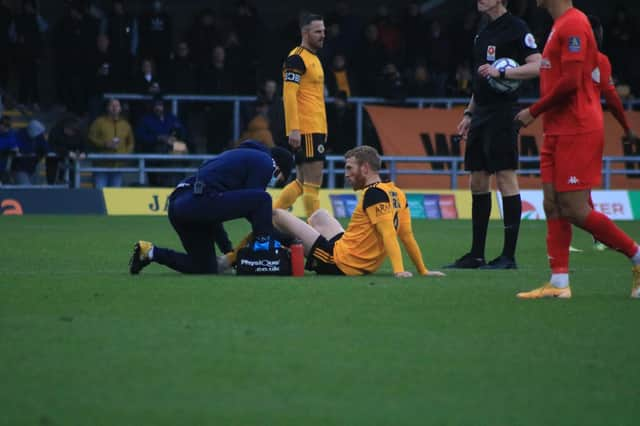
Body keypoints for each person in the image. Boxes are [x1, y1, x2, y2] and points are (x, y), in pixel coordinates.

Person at [514, 0, 640, 299]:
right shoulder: (559, 24)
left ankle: (637, 256)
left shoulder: (573, 24)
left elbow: (571, 82)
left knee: (576, 209)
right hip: (556, 128)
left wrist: (533, 111)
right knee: (552, 204)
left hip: (577, 128)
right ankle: (559, 284)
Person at [444, 0, 541, 270]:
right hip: (481, 113)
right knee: (477, 180)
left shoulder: (517, 28)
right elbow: (480, 81)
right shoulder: (482, 32)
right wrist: (468, 114)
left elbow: (538, 65)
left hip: (503, 111)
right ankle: (477, 255)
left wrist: (503, 71)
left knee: (506, 177)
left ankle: (508, 256)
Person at [270, 145, 445, 278]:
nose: (346, 174)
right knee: (319, 215)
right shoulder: (397, 192)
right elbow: (407, 236)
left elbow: (389, 234)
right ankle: (299, 247)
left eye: (349, 168)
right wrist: (423, 270)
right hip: (353, 255)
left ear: (365, 169)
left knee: (277, 214)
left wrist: (399, 271)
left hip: (340, 262)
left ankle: (276, 250)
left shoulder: (373, 194)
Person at [129, 140, 294, 275]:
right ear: (278, 167)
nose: (274, 183)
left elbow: (215, 214)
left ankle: (149, 252)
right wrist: (288, 238)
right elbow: (256, 209)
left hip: (181, 204)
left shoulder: (238, 160)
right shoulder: (266, 162)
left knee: (204, 267)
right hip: (199, 200)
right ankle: (264, 254)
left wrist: (228, 251)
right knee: (264, 199)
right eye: (280, 179)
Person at [274, 13, 327, 218]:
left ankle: (272, 214)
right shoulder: (296, 58)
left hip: (315, 127)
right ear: (305, 33)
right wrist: (293, 129)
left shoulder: (313, 58)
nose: (323, 35)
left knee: (301, 182)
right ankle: (316, 233)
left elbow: (315, 99)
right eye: (318, 31)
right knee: (312, 184)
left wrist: (324, 129)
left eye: (324, 31)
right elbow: (289, 95)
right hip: (307, 128)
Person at [87, 98, 135, 189]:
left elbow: (131, 142)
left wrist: (125, 154)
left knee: (115, 195)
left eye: (117, 105)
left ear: (120, 108)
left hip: (118, 165)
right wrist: (104, 144)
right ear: (107, 108)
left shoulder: (125, 124)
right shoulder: (98, 122)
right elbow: (91, 138)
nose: (114, 108)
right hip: (101, 165)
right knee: (99, 192)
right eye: (112, 105)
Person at [11, 119, 50, 185]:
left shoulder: (39, 136)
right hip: (19, 167)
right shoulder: (19, 134)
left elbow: (45, 148)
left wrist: (40, 155)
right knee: (25, 187)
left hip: (33, 166)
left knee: (34, 189)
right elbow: (17, 148)